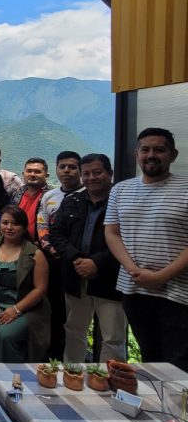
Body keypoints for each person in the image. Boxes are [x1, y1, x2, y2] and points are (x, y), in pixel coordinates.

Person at [105, 127, 188, 371]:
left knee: (179, 363)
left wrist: (162, 276)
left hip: (178, 292)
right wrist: (133, 270)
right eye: (146, 149)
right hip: (134, 288)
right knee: (149, 358)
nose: (151, 155)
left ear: (173, 155)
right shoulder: (121, 190)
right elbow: (111, 232)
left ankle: (177, 410)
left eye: (159, 150)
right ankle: (156, 409)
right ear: (136, 154)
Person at [50, 153, 125, 363]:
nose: (91, 177)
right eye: (86, 174)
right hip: (75, 276)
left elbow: (129, 239)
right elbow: (57, 234)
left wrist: (97, 263)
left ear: (110, 174)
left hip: (110, 278)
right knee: (74, 329)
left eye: (97, 172)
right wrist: (76, 259)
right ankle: (72, 376)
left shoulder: (122, 202)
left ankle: (111, 382)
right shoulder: (72, 201)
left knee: (112, 336)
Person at [0, 205, 50, 363]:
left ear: (23, 227)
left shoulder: (35, 254)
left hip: (25, 307)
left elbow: (40, 289)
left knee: (6, 333)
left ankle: (10, 378)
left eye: (15, 223)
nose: (9, 227)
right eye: (5, 222)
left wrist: (16, 309)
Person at [36, 151, 83, 360]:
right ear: (55, 170)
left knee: (75, 314)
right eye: (62, 166)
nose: (67, 171)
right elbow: (41, 224)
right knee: (53, 309)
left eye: (72, 167)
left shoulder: (86, 195)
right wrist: (49, 248)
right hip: (53, 261)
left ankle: (72, 359)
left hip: (78, 262)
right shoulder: (49, 196)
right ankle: (52, 354)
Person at [11, 157, 52, 242]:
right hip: (17, 243)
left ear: (46, 176)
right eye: (29, 171)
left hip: (41, 246)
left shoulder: (51, 196)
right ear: (23, 174)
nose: (32, 174)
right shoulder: (16, 194)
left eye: (37, 172)